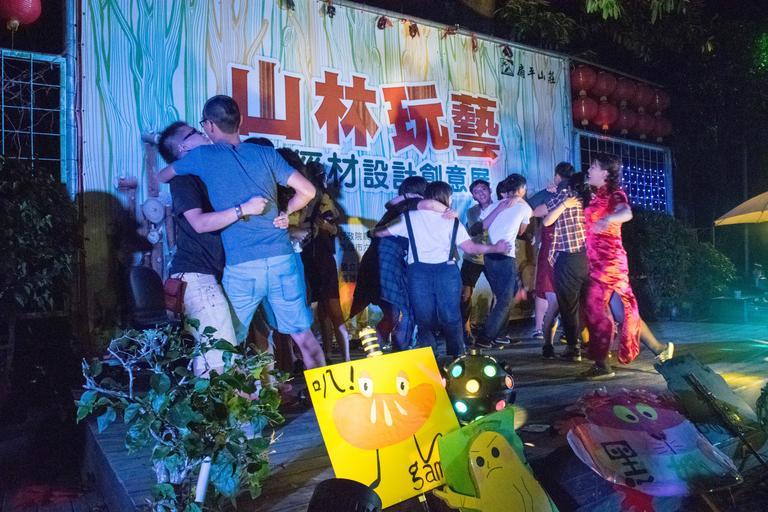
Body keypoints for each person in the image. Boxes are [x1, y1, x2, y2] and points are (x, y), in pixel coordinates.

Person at [157, 95, 326, 369]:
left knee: (226, 343)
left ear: (209, 126)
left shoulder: (203, 158)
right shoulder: (265, 154)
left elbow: (161, 176)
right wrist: (285, 211)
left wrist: (184, 159)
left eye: (201, 128)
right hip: (282, 260)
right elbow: (308, 190)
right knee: (303, 337)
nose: (201, 133)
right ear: (241, 121)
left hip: (242, 267)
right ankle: (327, 395)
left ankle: (235, 392)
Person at [157, 121, 273, 376]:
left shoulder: (209, 173)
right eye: (194, 132)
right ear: (183, 147)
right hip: (197, 277)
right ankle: (227, 403)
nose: (203, 134)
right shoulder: (183, 179)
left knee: (218, 355)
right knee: (221, 358)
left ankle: (235, 401)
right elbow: (199, 223)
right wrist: (243, 209)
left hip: (219, 276)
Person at [371, 181, 511, 358]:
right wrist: (495, 248)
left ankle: (429, 357)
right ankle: (457, 357)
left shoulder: (411, 217)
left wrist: (373, 232)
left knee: (424, 319)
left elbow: (382, 232)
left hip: (418, 273)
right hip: (447, 272)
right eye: (450, 197)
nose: (451, 200)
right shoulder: (451, 219)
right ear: (445, 197)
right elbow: (470, 247)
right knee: (451, 317)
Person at [581, 154, 673, 380]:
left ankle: (602, 365)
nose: (589, 170)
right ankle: (660, 349)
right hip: (600, 263)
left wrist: (608, 219)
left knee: (594, 308)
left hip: (608, 264)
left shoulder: (615, 194)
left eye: (593, 166)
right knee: (623, 313)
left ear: (605, 173)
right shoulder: (596, 195)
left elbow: (626, 212)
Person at [351, 176, 456, 350]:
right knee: (407, 311)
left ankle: (377, 351)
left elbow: (390, 203)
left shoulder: (400, 206)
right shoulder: (416, 203)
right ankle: (400, 352)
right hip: (389, 262)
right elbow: (430, 204)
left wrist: (407, 196)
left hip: (375, 260)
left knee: (392, 313)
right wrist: (450, 212)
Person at [474, 174, 532, 349]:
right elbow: (521, 231)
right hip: (505, 255)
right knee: (505, 300)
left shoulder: (494, 205)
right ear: (522, 189)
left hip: (490, 255)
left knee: (507, 295)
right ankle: (485, 337)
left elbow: (483, 226)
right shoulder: (524, 207)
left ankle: (500, 334)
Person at [300, 161, 351, 362]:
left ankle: (345, 358)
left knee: (332, 309)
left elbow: (333, 227)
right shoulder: (309, 197)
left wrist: (324, 225)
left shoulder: (323, 198)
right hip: (311, 256)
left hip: (319, 256)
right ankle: (330, 354)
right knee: (323, 311)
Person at [542, 172, 589, 362]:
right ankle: (597, 347)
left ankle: (573, 348)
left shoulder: (565, 197)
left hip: (569, 258)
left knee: (569, 306)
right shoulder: (594, 200)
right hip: (592, 257)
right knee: (591, 305)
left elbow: (545, 219)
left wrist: (557, 199)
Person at [529, 162, 574, 341]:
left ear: (557, 176)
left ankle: (543, 329)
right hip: (565, 247)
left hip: (556, 246)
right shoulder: (574, 195)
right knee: (550, 286)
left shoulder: (556, 195)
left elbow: (533, 210)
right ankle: (551, 329)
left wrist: (550, 195)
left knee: (547, 286)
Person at [460, 179, 494, 344]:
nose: (481, 193)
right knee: (465, 294)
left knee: (500, 294)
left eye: (483, 189)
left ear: (490, 190)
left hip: (494, 256)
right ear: (473, 196)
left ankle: (493, 330)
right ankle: (466, 330)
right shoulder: (472, 212)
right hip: (473, 256)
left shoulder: (500, 206)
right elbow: (476, 230)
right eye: (476, 192)